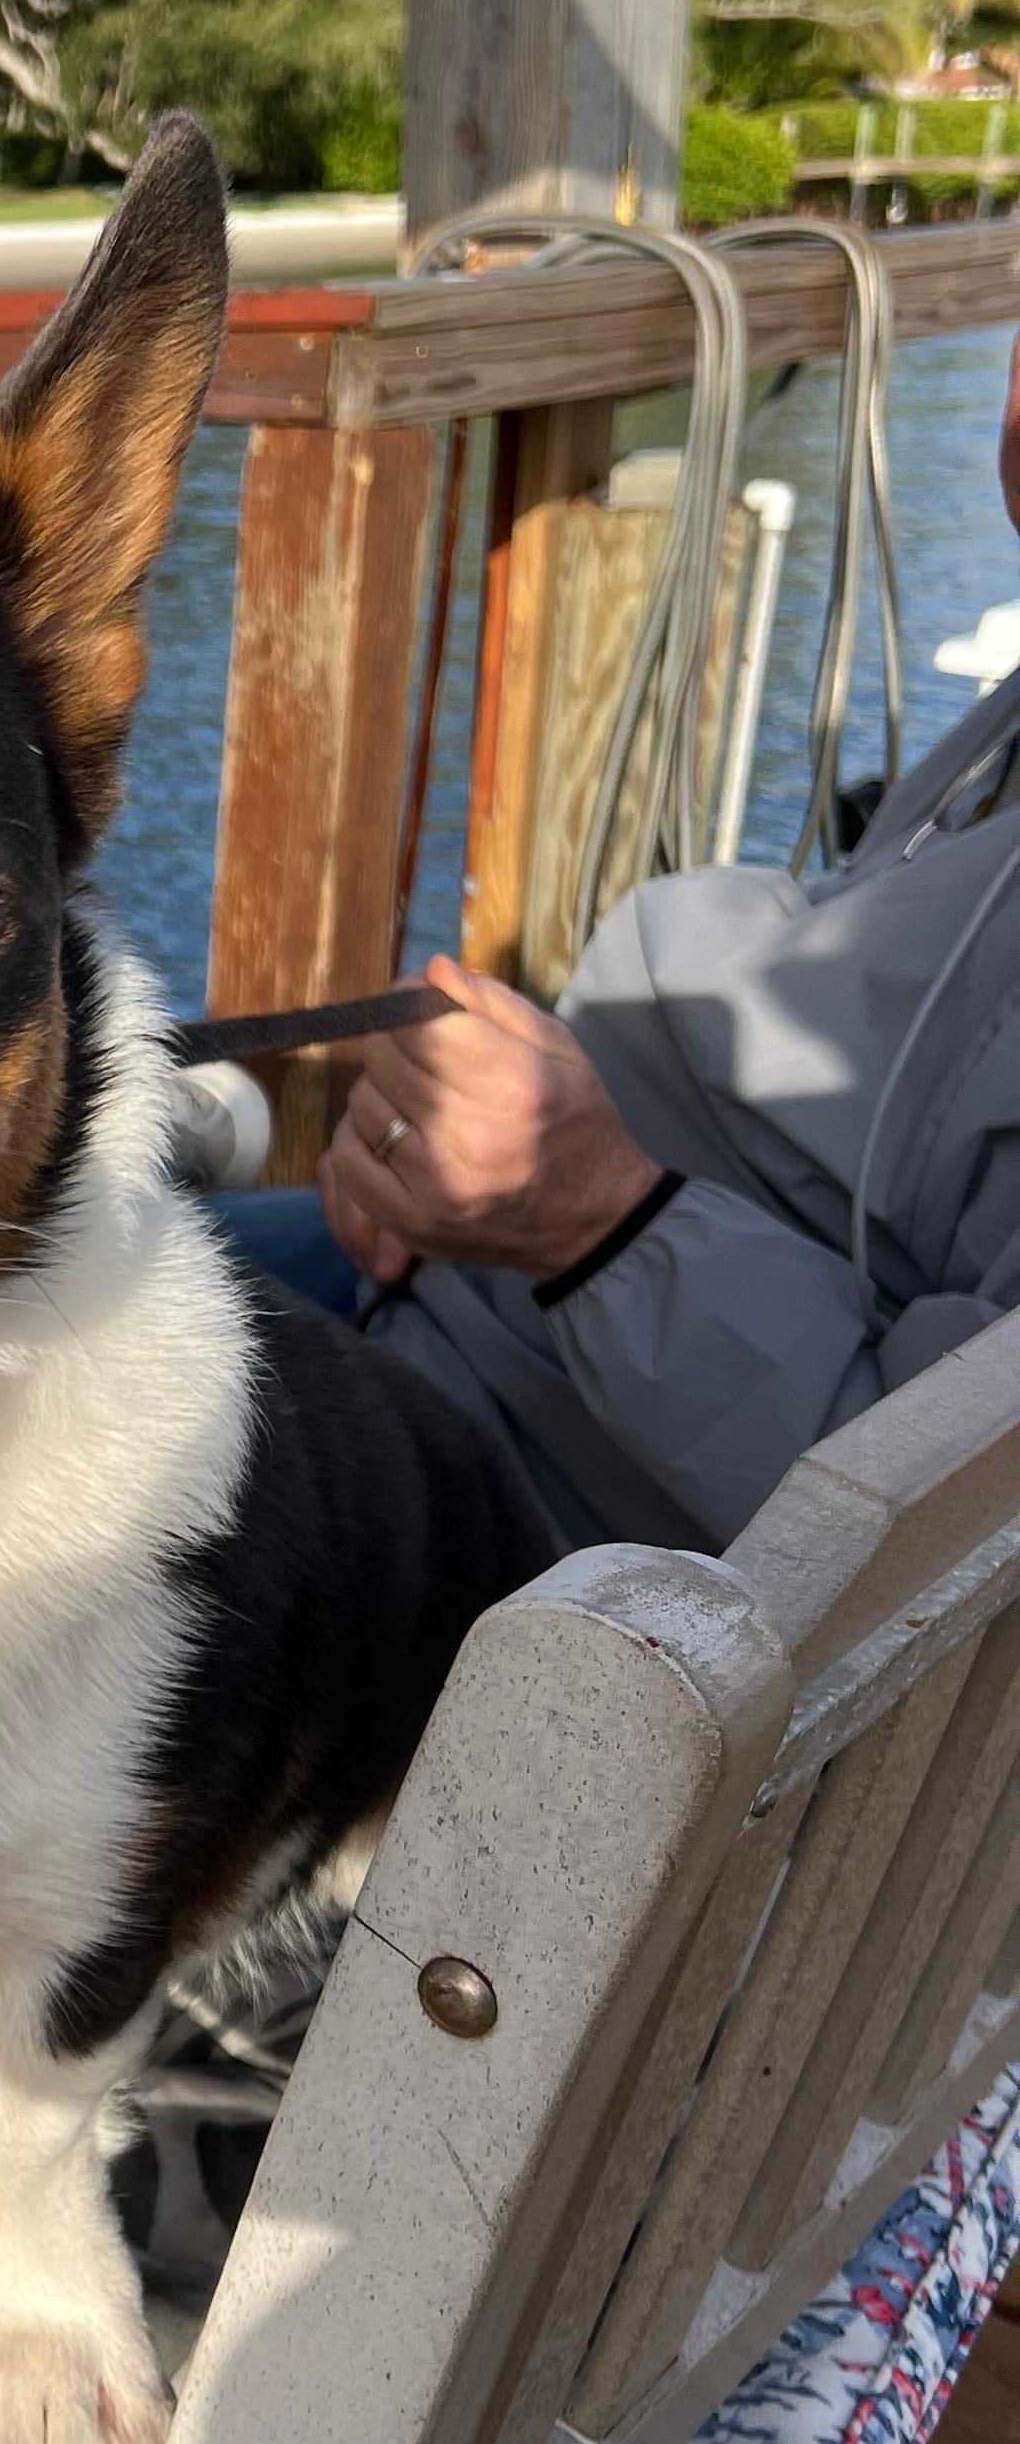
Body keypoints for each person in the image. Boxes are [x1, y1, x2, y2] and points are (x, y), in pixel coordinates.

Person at [239, 324, 1020, 1559]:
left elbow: (939, 1549)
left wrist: (599, 1219)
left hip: (538, 1512)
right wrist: (433, 1141)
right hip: (463, 1293)